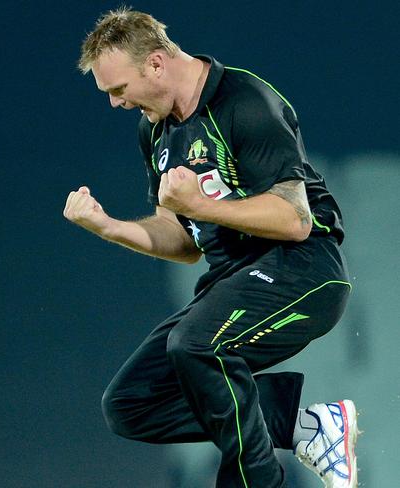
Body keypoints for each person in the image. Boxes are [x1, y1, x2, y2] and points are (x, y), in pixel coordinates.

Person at [64, 7, 357, 488]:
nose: (116, 104)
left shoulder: (245, 101)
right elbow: (181, 241)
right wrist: (107, 226)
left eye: (118, 89)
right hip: (232, 278)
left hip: (303, 270)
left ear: (156, 64)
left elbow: (295, 219)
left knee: (196, 345)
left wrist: (200, 203)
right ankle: (305, 427)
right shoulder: (154, 131)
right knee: (131, 403)